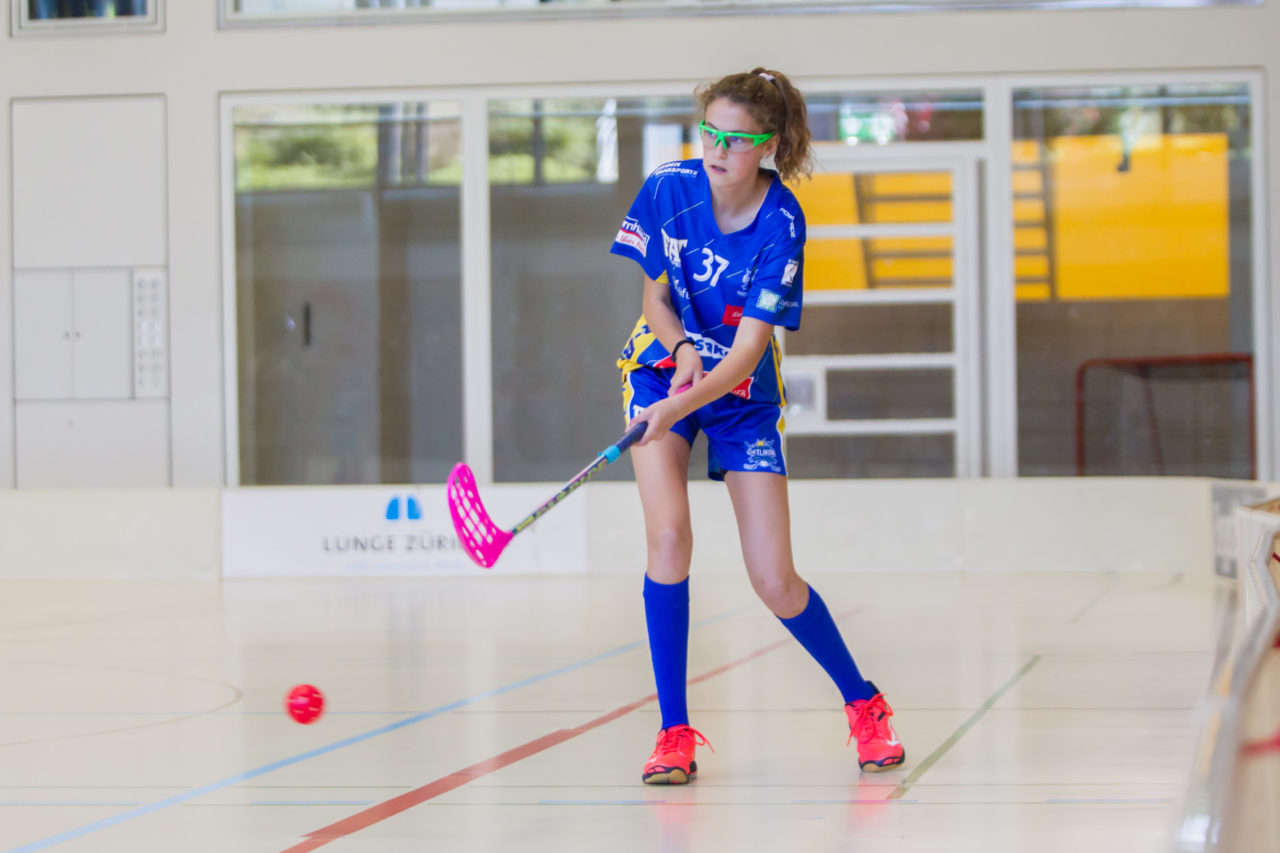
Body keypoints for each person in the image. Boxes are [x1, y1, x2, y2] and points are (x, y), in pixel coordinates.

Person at [610, 68, 906, 785]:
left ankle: (864, 702)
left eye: (735, 140)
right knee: (669, 539)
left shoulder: (783, 223)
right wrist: (678, 352)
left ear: (766, 145)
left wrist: (681, 404)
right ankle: (673, 732)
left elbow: (746, 352)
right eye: (708, 131)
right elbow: (654, 297)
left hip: (741, 394)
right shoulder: (668, 188)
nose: (715, 149)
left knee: (774, 578)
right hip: (659, 371)